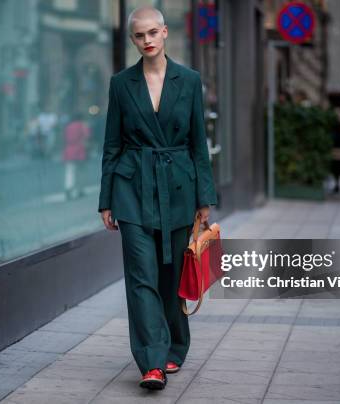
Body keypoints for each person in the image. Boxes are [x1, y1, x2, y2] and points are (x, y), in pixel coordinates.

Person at [97, 6, 217, 390]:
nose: (146, 40)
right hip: (131, 189)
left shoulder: (190, 80)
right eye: (138, 35)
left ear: (165, 33)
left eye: (152, 32)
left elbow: (199, 144)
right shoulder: (121, 84)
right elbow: (111, 145)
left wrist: (204, 196)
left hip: (179, 189)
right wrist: (106, 199)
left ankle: (175, 346)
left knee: (172, 274)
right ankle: (151, 361)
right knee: (140, 276)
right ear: (132, 39)